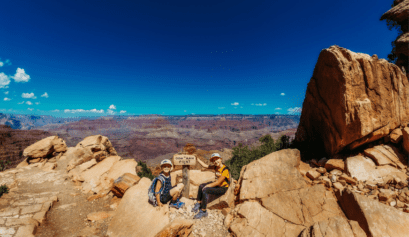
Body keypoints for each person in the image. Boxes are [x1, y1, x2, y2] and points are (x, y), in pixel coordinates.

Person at [192, 153, 230, 219]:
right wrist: (197, 159)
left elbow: (218, 182)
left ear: (220, 159)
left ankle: (203, 211)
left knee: (205, 190)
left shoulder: (225, 169)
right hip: (217, 185)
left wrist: (208, 186)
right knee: (201, 186)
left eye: (217, 159)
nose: (215, 161)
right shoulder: (216, 167)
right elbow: (205, 166)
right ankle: (198, 203)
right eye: (214, 160)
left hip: (222, 188)